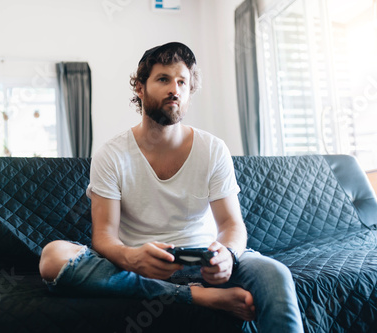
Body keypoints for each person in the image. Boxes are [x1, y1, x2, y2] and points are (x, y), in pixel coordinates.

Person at [39, 42, 303, 332]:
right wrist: (133, 258)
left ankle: (190, 290)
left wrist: (227, 254)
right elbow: (103, 237)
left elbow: (231, 224)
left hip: (204, 260)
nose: (174, 90)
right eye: (163, 79)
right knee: (53, 257)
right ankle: (196, 296)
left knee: (275, 273)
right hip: (140, 267)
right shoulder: (110, 154)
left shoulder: (213, 148)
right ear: (140, 88)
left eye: (182, 82)